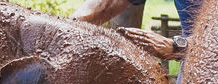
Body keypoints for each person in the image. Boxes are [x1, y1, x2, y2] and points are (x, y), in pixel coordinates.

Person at [71, 0, 201, 63]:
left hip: (217, 71)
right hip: (191, 72)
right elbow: (107, 3)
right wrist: (63, 27)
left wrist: (178, 47)